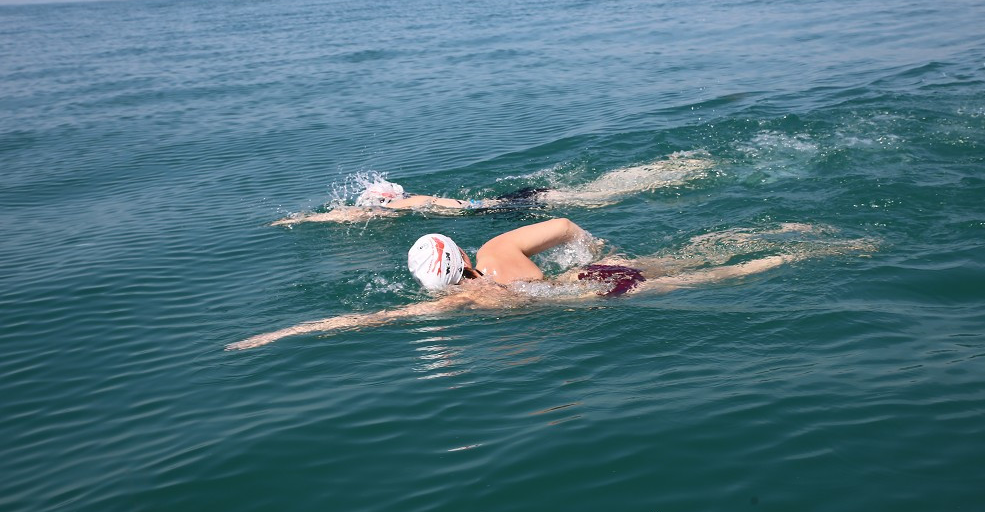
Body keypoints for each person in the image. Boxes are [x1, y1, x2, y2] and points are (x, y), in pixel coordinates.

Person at [226, 219, 866, 350]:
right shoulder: (498, 247)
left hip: (598, 298)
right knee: (692, 253)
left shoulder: (468, 299)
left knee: (722, 276)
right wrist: (595, 251)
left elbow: (369, 322)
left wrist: (287, 331)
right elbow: (562, 223)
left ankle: (812, 253)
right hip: (593, 272)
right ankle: (785, 230)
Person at [269, 152, 713, 226]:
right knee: (600, 190)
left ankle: (672, 173)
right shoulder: (413, 200)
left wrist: (303, 217)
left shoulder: (410, 205)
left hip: (504, 207)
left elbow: (352, 215)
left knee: (607, 196)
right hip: (509, 201)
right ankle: (669, 169)